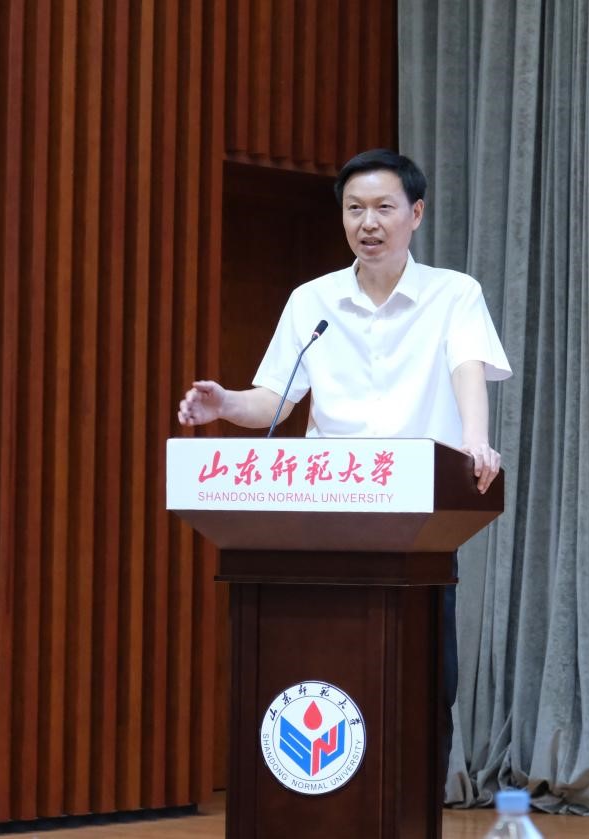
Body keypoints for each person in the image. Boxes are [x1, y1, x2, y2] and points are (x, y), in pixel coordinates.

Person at [177, 148, 511, 790]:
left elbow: (467, 368)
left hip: (416, 517)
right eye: (355, 209)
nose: (368, 222)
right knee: (321, 663)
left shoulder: (453, 293)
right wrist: (225, 404)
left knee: (423, 681)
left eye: (384, 207)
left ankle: (412, 801)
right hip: (324, 514)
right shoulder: (313, 300)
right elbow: (275, 400)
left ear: (416, 214)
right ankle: (316, 796)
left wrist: (477, 443)